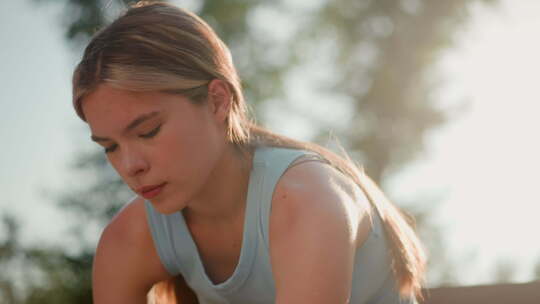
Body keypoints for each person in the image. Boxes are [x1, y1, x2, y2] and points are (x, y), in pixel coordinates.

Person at [72, 1, 426, 303]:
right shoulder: (129, 239)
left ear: (216, 101)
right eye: (110, 147)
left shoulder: (307, 201)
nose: (130, 166)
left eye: (148, 131)